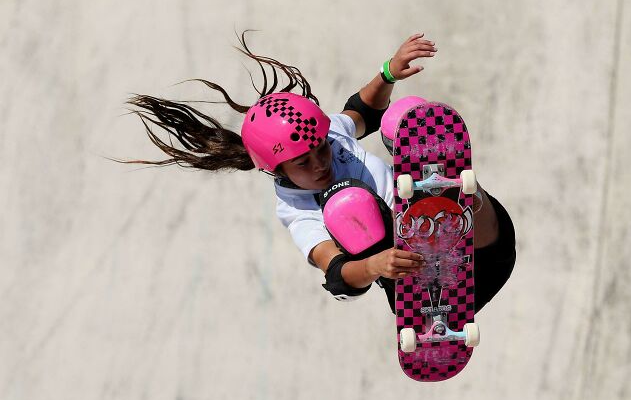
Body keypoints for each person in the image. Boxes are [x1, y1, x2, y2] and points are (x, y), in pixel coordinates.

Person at [119, 31, 516, 314]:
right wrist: (376, 267)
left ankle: (452, 196)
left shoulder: (331, 135)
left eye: (321, 148)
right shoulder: (297, 210)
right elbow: (338, 274)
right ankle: (429, 265)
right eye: (303, 163)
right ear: (277, 169)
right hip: (420, 284)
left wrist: (389, 72)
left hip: (486, 244)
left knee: (404, 115)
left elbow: (365, 109)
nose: (320, 163)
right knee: (346, 204)